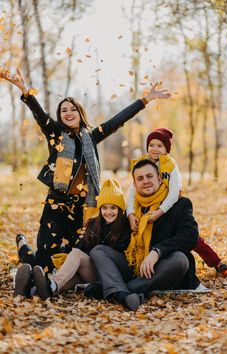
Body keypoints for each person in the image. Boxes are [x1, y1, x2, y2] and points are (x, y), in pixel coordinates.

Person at [0, 67, 171, 273]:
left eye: (73, 109)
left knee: (75, 255)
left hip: (83, 206)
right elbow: (39, 114)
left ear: (80, 114)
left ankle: (34, 252)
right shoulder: (56, 135)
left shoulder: (92, 137)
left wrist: (145, 100)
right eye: (64, 110)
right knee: (42, 264)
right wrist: (25, 91)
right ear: (60, 116)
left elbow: (117, 120)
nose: (68, 113)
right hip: (57, 204)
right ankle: (25, 249)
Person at [89, 159, 201, 311]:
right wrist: (89, 231)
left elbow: (190, 235)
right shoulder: (131, 209)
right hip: (135, 266)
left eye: (150, 176)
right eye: (140, 178)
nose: (146, 181)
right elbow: (113, 230)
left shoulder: (180, 204)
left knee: (180, 260)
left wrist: (157, 251)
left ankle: (117, 290)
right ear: (135, 185)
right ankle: (123, 293)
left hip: (163, 267)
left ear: (160, 178)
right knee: (99, 251)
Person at [127, 128, 227, 277]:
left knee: (194, 239)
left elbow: (174, 193)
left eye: (160, 146)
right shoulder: (142, 163)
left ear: (166, 149)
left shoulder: (170, 165)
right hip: (149, 204)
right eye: (151, 145)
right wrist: (130, 213)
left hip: (170, 206)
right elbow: (132, 191)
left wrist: (160, 211)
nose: (155, 149)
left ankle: (217, 262)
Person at [14, 178, 131, 300]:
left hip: (108, 275)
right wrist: (86, 241)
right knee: (66, 280)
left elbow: (110, 255)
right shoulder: (93, 224)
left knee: (77, 256)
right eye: (104, 208)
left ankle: (50, 284)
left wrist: (88, 248)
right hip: (90, 271)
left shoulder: (125, 228)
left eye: (113, 208)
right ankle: (32, 291)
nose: (108, 212)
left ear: (120, 209)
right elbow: (80, 246)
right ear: (100, 208)